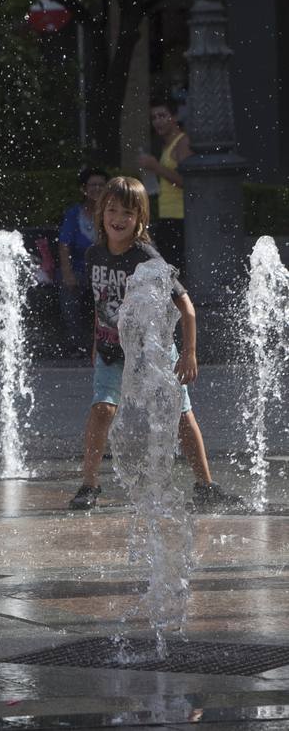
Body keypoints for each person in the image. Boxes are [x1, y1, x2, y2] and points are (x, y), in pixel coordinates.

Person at [66, 176, 243, 512]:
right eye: (112, 210)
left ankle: (205, 485)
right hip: (110, 350)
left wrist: (189, 352)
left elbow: (186, 307)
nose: (118, 218)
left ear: (140, 219)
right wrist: (95, 339)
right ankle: (89, 484)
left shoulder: (147, 257)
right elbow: (99, 302)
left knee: (180, 415)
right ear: (101, 213)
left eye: (127, 213)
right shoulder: (94, 255)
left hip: (154, 352)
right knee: (102, 409)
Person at [58, 168, 109, 356]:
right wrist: (68, 273)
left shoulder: (112, 212)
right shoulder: (74, 214)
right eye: (92, 185)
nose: (97, 189)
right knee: (68, 295)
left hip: (106, 271)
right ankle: (76, 344)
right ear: (84, 189)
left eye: (101, 185)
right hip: (80, 269)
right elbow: (64, 245)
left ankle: (108, 342)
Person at [136, 97, 190, 271]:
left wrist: (156, 167)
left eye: (162, 115)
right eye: (154, 117)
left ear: (174, 117)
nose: (157, 121)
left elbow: (185, 181)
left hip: (180, 216)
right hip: (168, 215)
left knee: (176, 272)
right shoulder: (166, 146)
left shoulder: (182, 142)